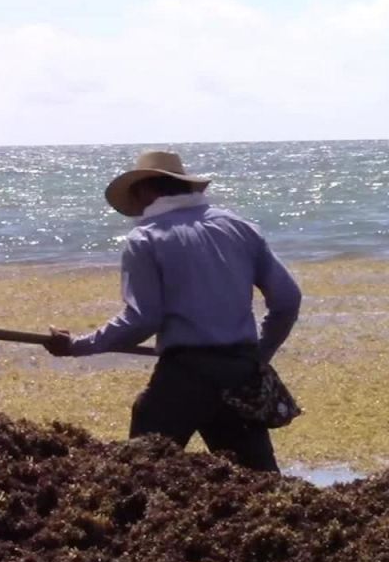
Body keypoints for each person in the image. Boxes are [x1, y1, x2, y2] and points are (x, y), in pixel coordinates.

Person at [44, 150, 302, 471]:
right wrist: (258, 357)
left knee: (139, 479)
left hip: (185, 377)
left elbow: (142, 320)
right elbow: (288, 301)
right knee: (263, 485)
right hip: (240, 373)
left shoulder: (146, 238)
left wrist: (77, 346)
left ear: (144, 191)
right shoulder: (240, 228)